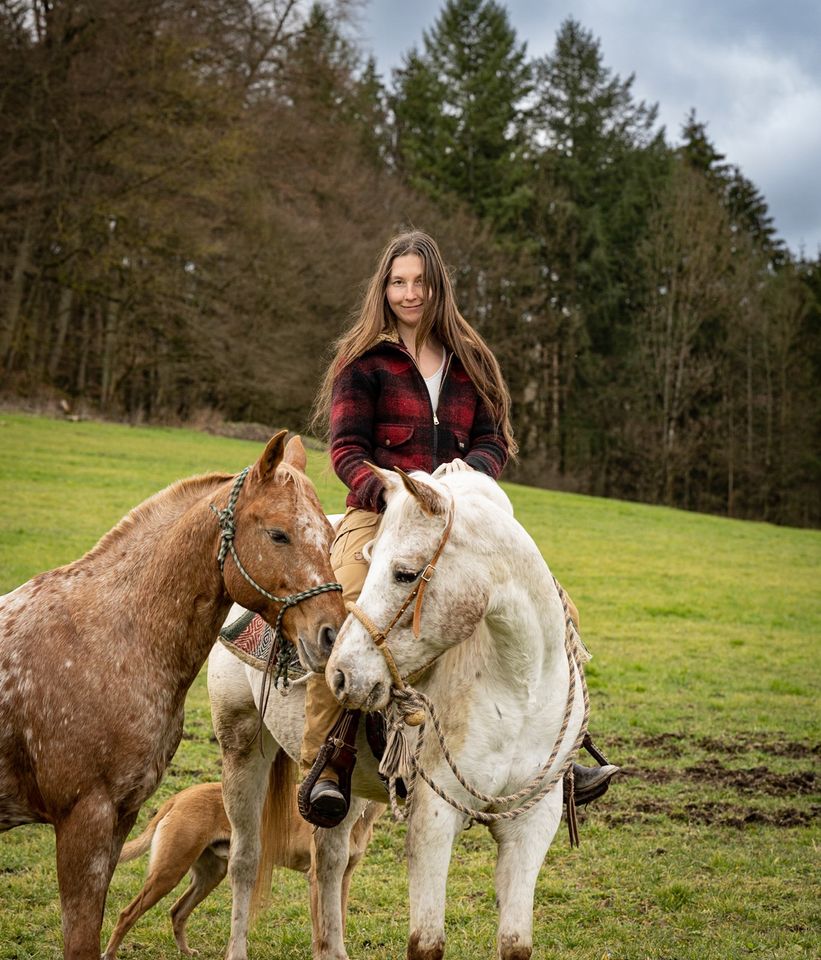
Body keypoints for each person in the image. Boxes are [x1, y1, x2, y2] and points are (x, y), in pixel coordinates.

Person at [301, 229, 618, 825]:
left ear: (437, 285)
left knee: (553, 608)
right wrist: (393, 493)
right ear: (384, 286)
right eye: (398, 281)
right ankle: (332, 759)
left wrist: (466, 480)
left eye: (420, 281)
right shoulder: (361, 360)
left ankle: (561, 755)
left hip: (463, 522)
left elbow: (495, 439)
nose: (409, 293)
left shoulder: (471, 358)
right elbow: (345, 450)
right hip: (380, 516)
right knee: (346, 610)